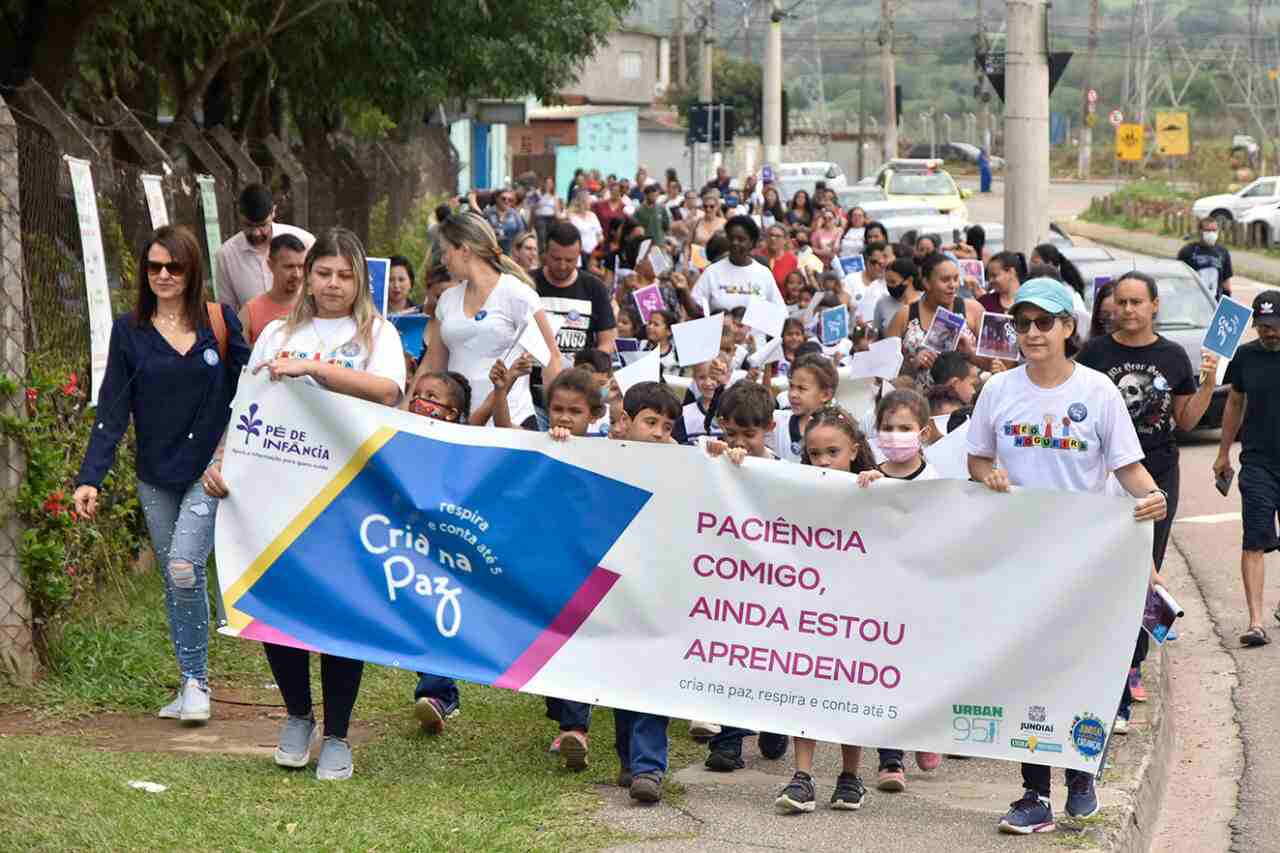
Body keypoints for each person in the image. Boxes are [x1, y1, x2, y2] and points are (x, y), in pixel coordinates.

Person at [967, 277, 1167, 834]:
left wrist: (1152, 496)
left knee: (1080, 670)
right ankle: (1034, 793)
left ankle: (1081, 778)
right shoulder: (998, 391)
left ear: (1067, 328)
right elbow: (977, 460)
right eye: (1022, 323)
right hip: (1019, 560)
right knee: (1030, 675)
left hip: (1086, 562)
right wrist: (991, 476)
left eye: (1043, 323)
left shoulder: (1099, 391)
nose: (1032, 333)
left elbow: (1128, 468)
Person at [239, 227, 407, 781]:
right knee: (278, 605)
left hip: (350, 490)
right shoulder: (276, 333)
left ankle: (337, 734)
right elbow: (247, 403)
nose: (333, 285)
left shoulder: (377, 333)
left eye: (344, 274)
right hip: (280, 488)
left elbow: (387, 391)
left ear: (361, 279)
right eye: (323, 273)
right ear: (307, 277)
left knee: (338, 610)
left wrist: (314, 369)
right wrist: (223, 461)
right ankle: (296, 716)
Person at [73, 225, 250, 724]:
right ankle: (189, 675)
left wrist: (232, 454)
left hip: (210, 469)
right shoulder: (130, 331)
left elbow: (252, 391)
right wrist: (91, 478)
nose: (164, 275)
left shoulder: (219, 321)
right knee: (179, 579)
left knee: (181, 566)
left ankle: (197, 686)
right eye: (154, 267)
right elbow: (112, 409)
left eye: (174, 266)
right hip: (155, 473)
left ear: (193, 270)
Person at [1078, 271, 1218, 718]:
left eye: (1137, 302)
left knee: (1147, 567)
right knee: (1107, 566)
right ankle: (1101, 660)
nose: (1128, 310)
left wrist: (1209, 383)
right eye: (1121, 302)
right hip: (1105, 476)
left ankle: (1132, 663)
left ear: (1154, 306)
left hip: (1157, 473)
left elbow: (1188, 421)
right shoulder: (1095, 354)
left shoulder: (1173, 356)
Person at [773, 405, 880, 813]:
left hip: (858, 609)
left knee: (850, 689)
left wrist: (881, 485)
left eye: (832, 452)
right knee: (807, 686)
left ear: (854, 450)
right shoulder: (799, 488)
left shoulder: (874, 488)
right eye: (815, 455)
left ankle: (851, 777)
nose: (823, 462)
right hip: (810, 608)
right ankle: (802, 777)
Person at [414, 213, 563, 429]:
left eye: (446, 252)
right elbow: (431, 365)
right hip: (460, 423)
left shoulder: (518, 294)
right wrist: (402, 414)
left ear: (464, 250)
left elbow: (551, 359)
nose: (443, 260)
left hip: (512, 423)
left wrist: (556, 422)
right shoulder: (447, 299)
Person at [611, 381, 681, 802]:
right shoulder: (604, 456)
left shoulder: (682, 464)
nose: (658, 432)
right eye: (650, 422)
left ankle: (648, 767)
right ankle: (628, 756)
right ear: (624, 421)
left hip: (662, 588)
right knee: (621, 674)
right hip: (616, 588)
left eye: (666, 425)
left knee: (653, 673)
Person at [1214, 290, 1280, 646]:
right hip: (1257, 463)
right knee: (1254, 540)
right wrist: (1223, 452)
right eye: (1263, 326)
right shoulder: (1245, 356)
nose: (1270, 332)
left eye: (1275, 326)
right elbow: (1235, 402)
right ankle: (1256, 622)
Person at [886, 253, 982, 392]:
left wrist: (970, 354)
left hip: (968, 402)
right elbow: (885, 371)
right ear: (926, 282)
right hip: (922, 404)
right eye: (945, 280)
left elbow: (998, 362)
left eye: (955, 279)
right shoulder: (904, 315)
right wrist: (912, 364)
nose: (953, 285)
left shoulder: (973, 309)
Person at [215, 183, 315, 313]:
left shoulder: (305, 242)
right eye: (248, 225)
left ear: (273, 211)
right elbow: (226, 313)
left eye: (262, 225)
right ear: (239, 215)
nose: (256, 233)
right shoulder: (226, 256)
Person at [536, 221, 617, 366]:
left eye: (569, 260)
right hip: (533, 379)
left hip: (578, 380)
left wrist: (591, 369)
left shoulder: (594, 287)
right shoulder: (529, 284)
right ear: (545, 253)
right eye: (556, 259)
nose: (562, 266)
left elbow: (607, 341)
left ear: (579, 256)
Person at [691, 216, 785, 315]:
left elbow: (780, 312)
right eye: (731, 238)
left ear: (752, 243)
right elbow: (696, 308)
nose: (735, 243)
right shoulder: (712, 271)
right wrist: (683, 290)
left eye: (741, 239)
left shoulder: (763, 273)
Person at [238, 233, 307, 345]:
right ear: (270, 265)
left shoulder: (315, 307)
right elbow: (240, 357)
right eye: (289, 266)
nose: (297, 274)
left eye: (301, 266)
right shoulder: (250, 313)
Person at [768, 353, 837, 462]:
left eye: (802, 388)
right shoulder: (775, 422)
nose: (793, 394)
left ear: (825, 395)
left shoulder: (840, 429)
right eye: (791, 386)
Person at [875, 388, 939, 481]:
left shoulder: (935, 478)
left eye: (905, 428)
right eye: (887, 428)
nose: (894, 436)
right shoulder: (869, 478)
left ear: (924, 434)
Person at [1177, 217, 1234, 299]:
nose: (1211, 233)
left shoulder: (1223, 252)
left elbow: (1226, 282)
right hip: (1192, 300)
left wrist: (1227, 301)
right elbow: (1179, 280)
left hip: (1214, 302)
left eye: (1214, 230)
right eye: (1208, 230)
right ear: (1200, 232)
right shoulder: (1187, 251)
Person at [873, 257, 919, 339]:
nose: (889, 286)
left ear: (909, 280)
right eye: (887, 282)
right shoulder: (882, 303)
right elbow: (876, 334)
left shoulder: (924, 302)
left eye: (893, 282)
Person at [476, 188, 528, 255]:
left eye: (510, 200)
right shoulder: (487, 213)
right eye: (503, 199)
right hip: (491, 250)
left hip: (510, 251)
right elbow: (480, 230)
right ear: (497, 199)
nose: (507, 201)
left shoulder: (515, 215)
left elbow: (521, 233)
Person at [979, 251, 1027, 315]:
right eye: (989, 277)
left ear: (1011, 272)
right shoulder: (985, 301)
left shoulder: (1029, 300)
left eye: (994, 275)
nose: (990, 281)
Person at [567, 190, 605, 268]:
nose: (590, 203)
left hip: (595, 254)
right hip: (580, 253)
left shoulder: (593, 216)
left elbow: (599, 234)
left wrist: (600, 247)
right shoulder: (572, 217)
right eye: (588, 201)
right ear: (582, 202)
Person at [529, 175, 562, 250]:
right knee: (542, 237)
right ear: (544, 183)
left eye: (550, 183)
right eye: (547, 183)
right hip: (540, 218)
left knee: (550, 238)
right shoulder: (537, 193)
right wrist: (539, 204)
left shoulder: (554, 196)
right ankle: (542, 255)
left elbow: (557, 211)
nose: (548, 185)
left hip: (551, 218)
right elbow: (530, 205)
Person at [763, 223, 798, 292]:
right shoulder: (756, 256)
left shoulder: (791, 260)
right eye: (771, 235)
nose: (773, 238)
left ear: (785, 240)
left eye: (778, 236)